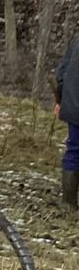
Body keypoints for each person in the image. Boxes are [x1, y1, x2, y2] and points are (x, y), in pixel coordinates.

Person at [52, 33, 79, 208]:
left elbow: (62, 73)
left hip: (74, 105)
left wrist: (60, 100)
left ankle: (68, 203)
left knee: (74, 150)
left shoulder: (77, 42)